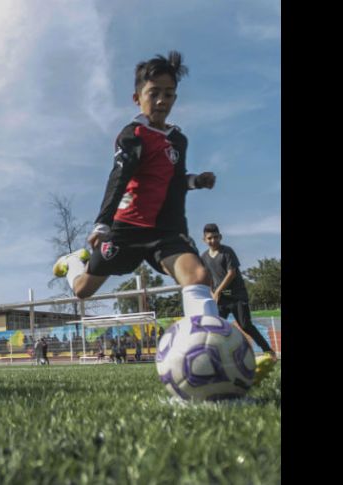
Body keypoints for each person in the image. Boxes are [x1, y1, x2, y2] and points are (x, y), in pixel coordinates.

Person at [53, 51, 219, 325]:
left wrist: (196, 181)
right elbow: (120, 175)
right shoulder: (133, 135)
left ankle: (207, 349)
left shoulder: (179, 140)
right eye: (153, 93)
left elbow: (174, 180)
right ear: (137, 98)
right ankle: (73, 262)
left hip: (167, 230)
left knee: (199, 277)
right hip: (126, 229)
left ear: (175, 98)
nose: (161, 101)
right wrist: (102, 224)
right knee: (83, 290)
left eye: (168, 94)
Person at [200, 223, 277, 383]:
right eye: (209, 238)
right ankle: (218, 360)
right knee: (216, 328)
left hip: (237, 296)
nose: (213, 240)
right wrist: (210, 292)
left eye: (215, 237)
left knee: (245, 325)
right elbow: (206, 277)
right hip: (221, 300)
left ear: (220, 237)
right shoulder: (204, 257)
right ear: (204, 239)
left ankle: (269, 352)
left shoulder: (227, 252)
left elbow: (231, 273)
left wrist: (218, 291)